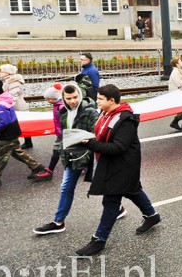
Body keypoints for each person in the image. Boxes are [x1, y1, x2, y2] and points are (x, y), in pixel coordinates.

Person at [76, 84, 161, 256]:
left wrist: (92, 144)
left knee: (111, 202)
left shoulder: (125, 119)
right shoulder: (106, 113)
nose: (96, 101)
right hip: (114, 164)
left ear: (111, 100)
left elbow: (118, 147)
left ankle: (99, 240)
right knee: (132, 190)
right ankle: (152, 216)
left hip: (123, 165)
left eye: (100, 99)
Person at [33, 84, 127, 235]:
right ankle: (58, 222)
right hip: (72, 156)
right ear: (62, 98)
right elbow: (64, 135)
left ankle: (118, 208)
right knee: (66, 188)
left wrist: (89, 146)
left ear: (80, 95)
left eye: (75, 97)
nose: (72, 101)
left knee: (104, 184)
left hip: (91, 155)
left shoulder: (89, 112)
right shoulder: (62, 111)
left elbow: (98, 134)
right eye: (68, 98)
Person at [0, 80, 52, 189]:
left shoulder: (0, 105)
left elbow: (4, 121)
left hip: (6, 135)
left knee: (0, 157)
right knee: (17, 152)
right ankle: (37, 167)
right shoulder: (5, 100)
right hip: (12, 132)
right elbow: (2, 117)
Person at [0, 64, 33, 150]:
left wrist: (6, 107)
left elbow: (13, 96)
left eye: (1, 71)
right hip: (13, 106)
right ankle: (1, 143)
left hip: (17, 107)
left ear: (7, 73)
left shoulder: (14, 82)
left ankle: (28, 142)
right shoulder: (8, 81)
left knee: (22, 124)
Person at [41, 84, 65, 177]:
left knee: (57, 150)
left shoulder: (60, 106)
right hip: (60, 133)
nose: (47, 101)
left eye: (48, 99)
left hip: (63, 133)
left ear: (53, 98)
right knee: (61, 150)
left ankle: (50, 171)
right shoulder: (57, 104)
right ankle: (50, 170)